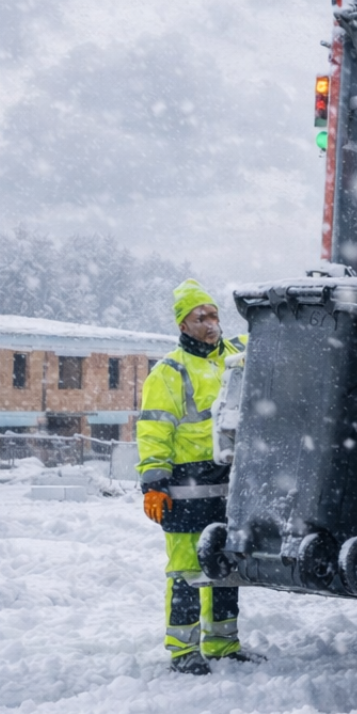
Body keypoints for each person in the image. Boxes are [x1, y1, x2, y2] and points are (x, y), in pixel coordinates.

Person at [137, 279, 258, 675]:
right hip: (183, 488)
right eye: (199, 317)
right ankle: (183, 650)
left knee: (224, 566)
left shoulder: (238, 355)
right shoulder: (168, 372)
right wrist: (154, 484)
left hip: (229, 484)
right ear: (183, 326)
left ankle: (223, 643)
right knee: (187, 571)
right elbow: (154, 430)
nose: (210, 323)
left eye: (213, 314)